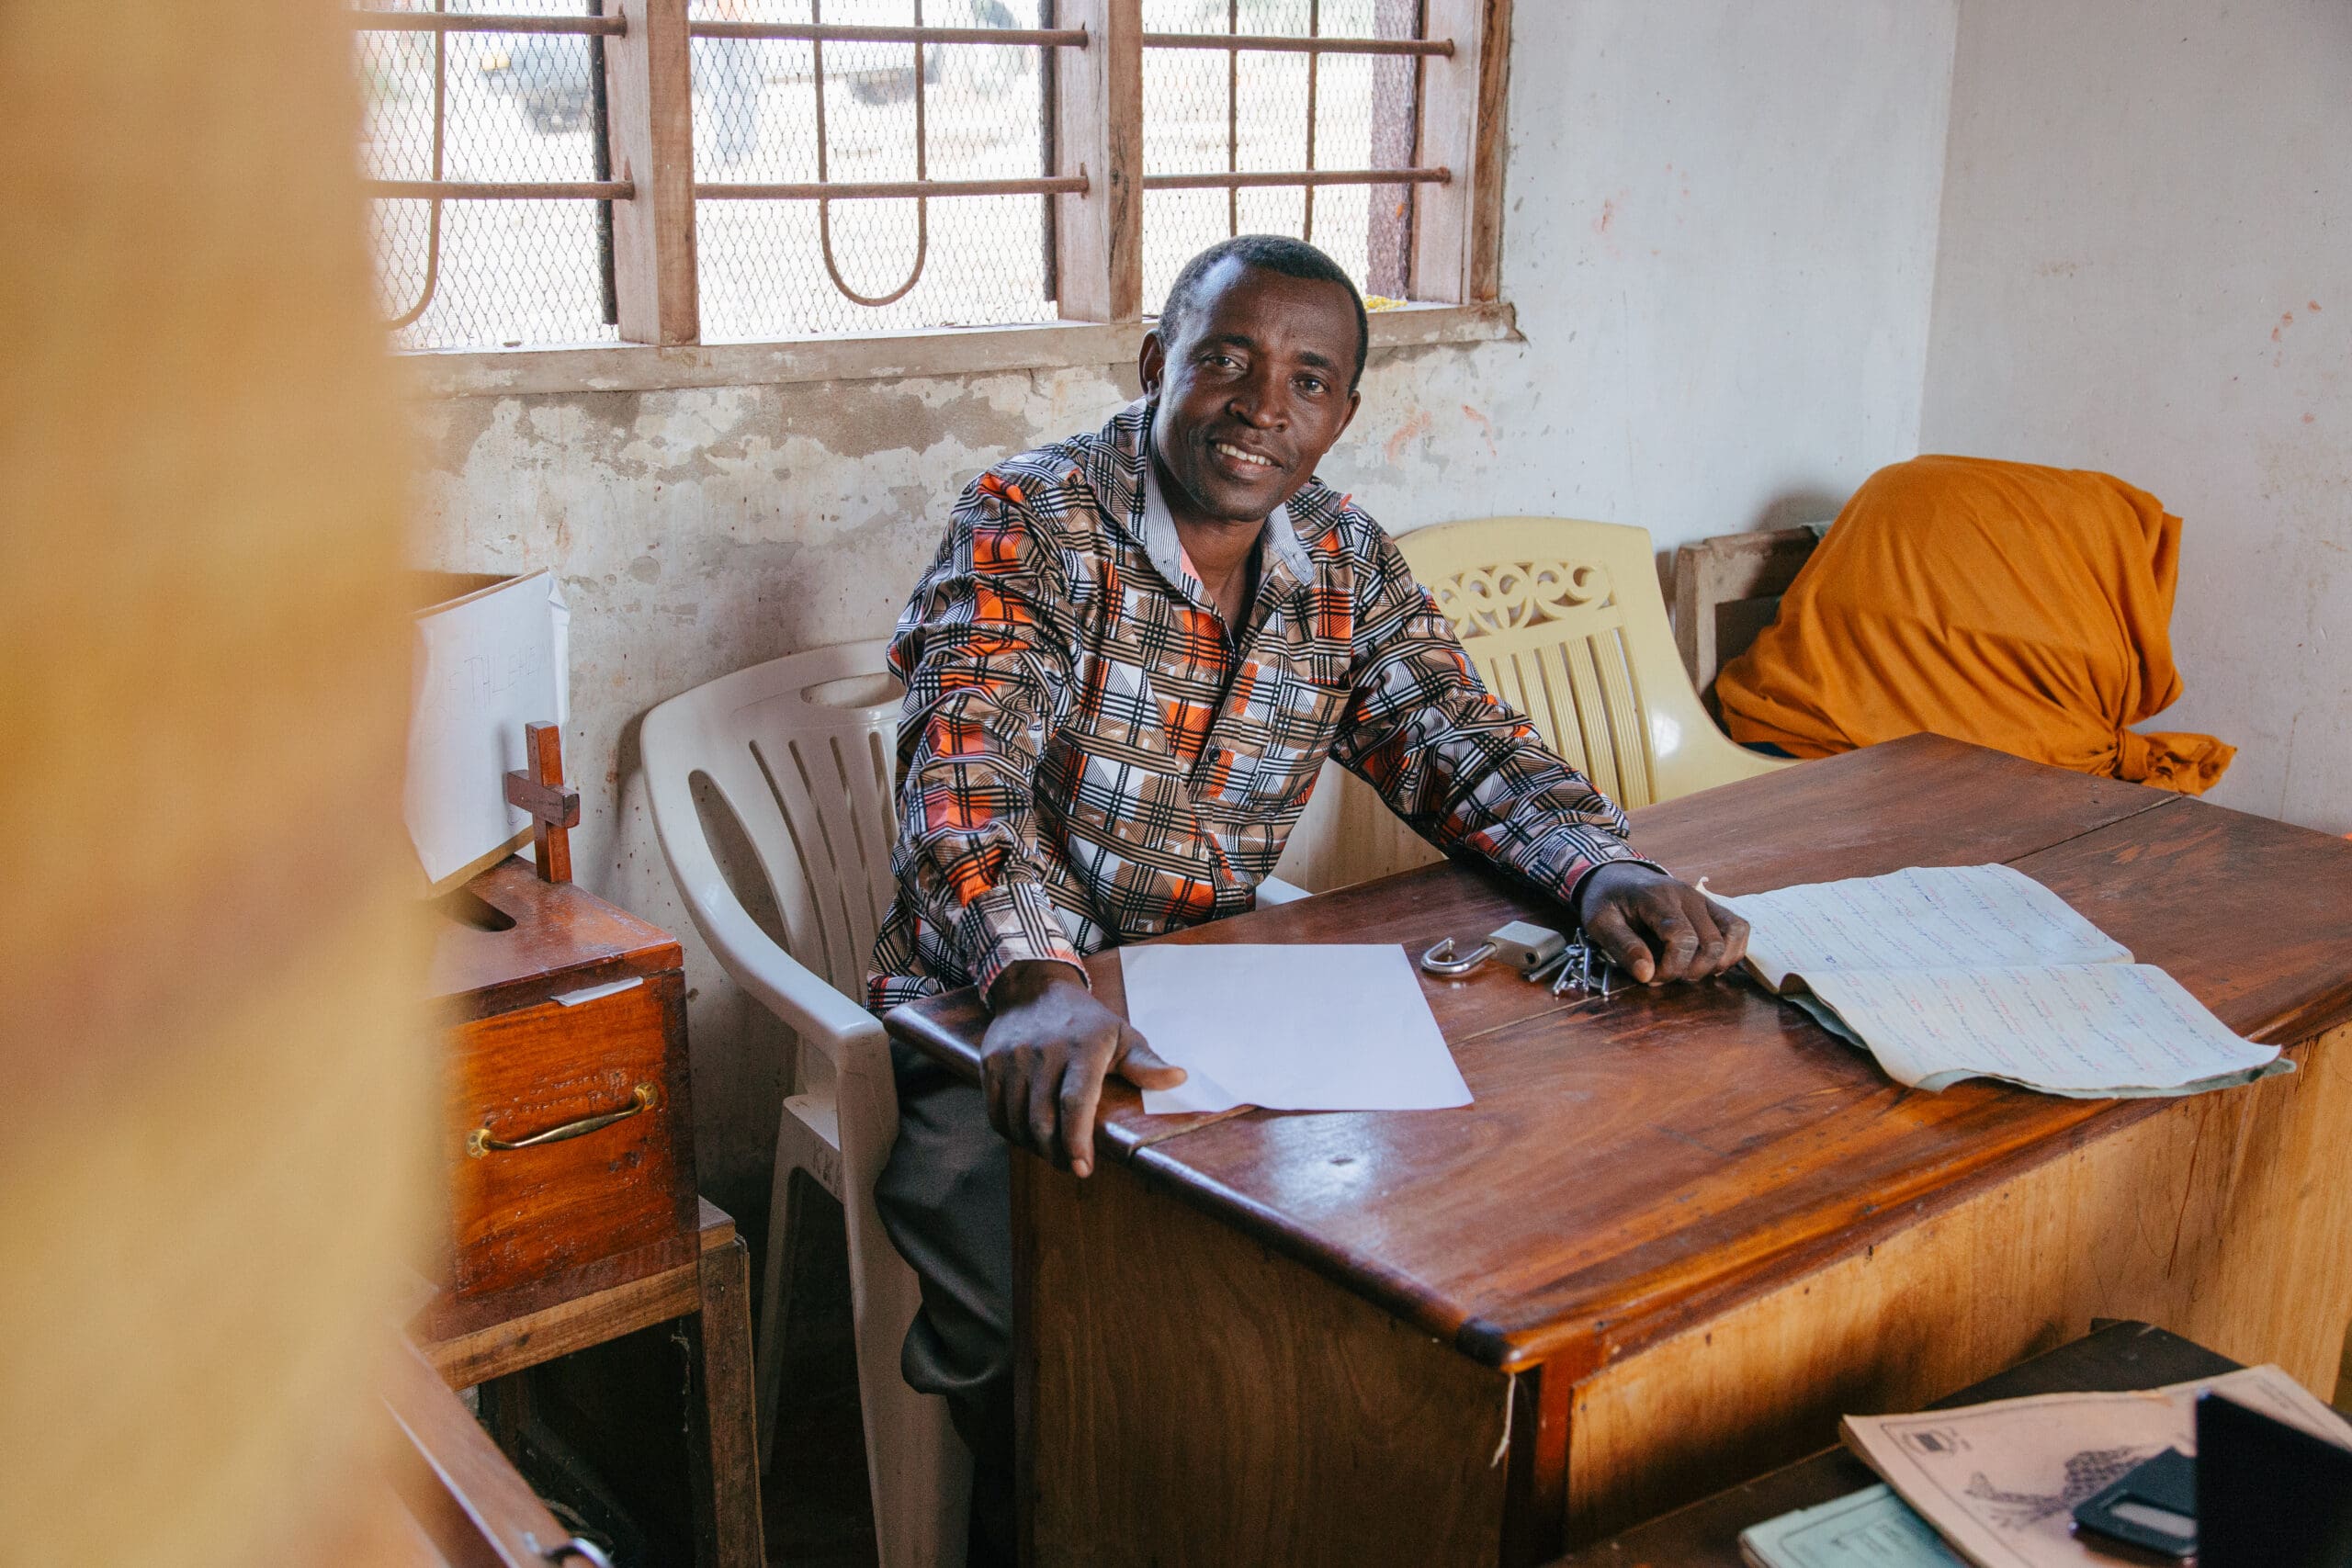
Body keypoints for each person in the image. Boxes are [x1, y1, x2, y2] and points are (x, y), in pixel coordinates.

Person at [865, 234, 1747, 1563]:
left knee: (1368, 1293)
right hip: (997, 1004)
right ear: (1160, 363)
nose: (1260, 404)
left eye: (1308, 377)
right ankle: (1038, 1512)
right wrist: (1037, 982)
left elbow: (1449, 736)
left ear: (1342, 411)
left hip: (1227, 995)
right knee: (1040, 1352)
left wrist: (1600, 865)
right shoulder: (1030, 517)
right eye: (1224, 358)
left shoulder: (1338, 556)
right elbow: (966, 776)